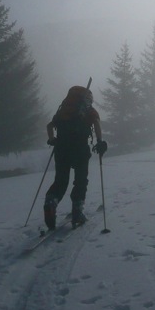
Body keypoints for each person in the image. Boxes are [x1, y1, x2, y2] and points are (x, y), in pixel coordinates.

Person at [44, 86, 107, 229]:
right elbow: (96, 123)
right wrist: (100, 141)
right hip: (80, 149)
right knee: (80, 180)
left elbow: (49, 126)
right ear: (88, 98)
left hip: (61, 149)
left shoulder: (64, 110)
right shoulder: (89, 110)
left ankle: (51, 202)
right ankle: (77, 211)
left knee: (61, 180)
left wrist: (52, 139)